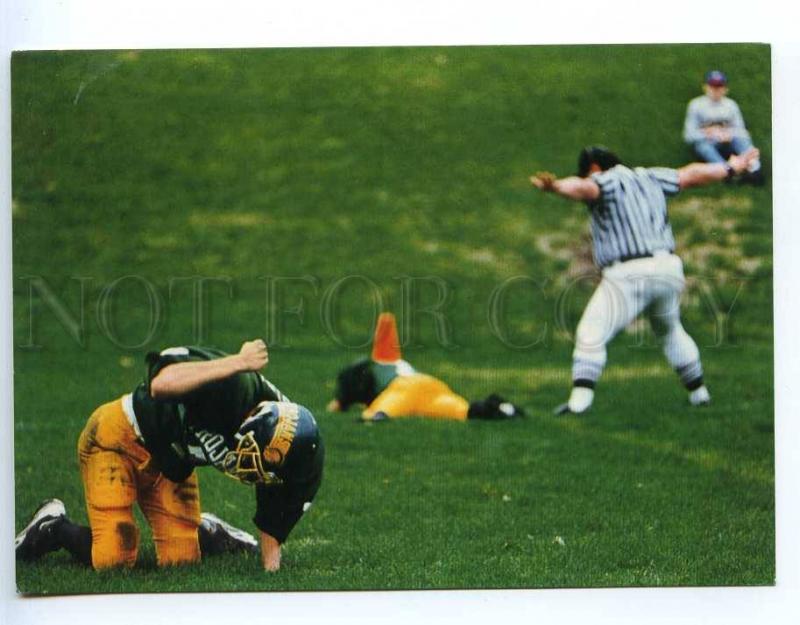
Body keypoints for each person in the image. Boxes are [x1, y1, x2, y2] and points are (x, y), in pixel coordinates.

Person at [15, 340, 324, 572]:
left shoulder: (301, 452)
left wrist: (271, 573)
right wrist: (237, 361)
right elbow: (161, 383)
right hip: (119, 440)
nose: (248, 469)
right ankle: (52, 526)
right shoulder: (235, 385)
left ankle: (208, 531)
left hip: (170, 464)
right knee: (113, 561)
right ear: (251, 417)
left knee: (181, 562)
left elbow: (276, 512)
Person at [529, 144, 760, 414]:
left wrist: (555, 187)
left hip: (630, 271)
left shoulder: (604, 180)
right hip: (667, 267)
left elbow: (585, 189)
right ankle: (700, 394)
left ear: (593, 168)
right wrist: (730, 168)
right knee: (670, 330)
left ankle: (578, 405)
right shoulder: (649, 175)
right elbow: (691, 174)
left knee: (590, 334)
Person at [327, 312, 524, 422]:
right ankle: (501, 407)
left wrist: (342, 404)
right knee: (463, 411)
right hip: (430, 384)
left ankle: (376, 417)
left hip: (403, 388)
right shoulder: (398, 363)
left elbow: (351, 385)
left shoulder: (371, 367)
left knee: (382, 411)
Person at [683, 70, 763, 184]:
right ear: (705, 87)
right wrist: (708, 133)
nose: (716, 90)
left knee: (744, 140)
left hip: (729, 139)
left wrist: (729, 134)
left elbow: (742, 131)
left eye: (719, 86)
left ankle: (754, 169)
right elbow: (688, 136)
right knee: (702, 146)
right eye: (712, 86)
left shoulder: (731, 105)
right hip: (708, 140)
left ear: (725, 89)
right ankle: (727, 173)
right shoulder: (696, 105)